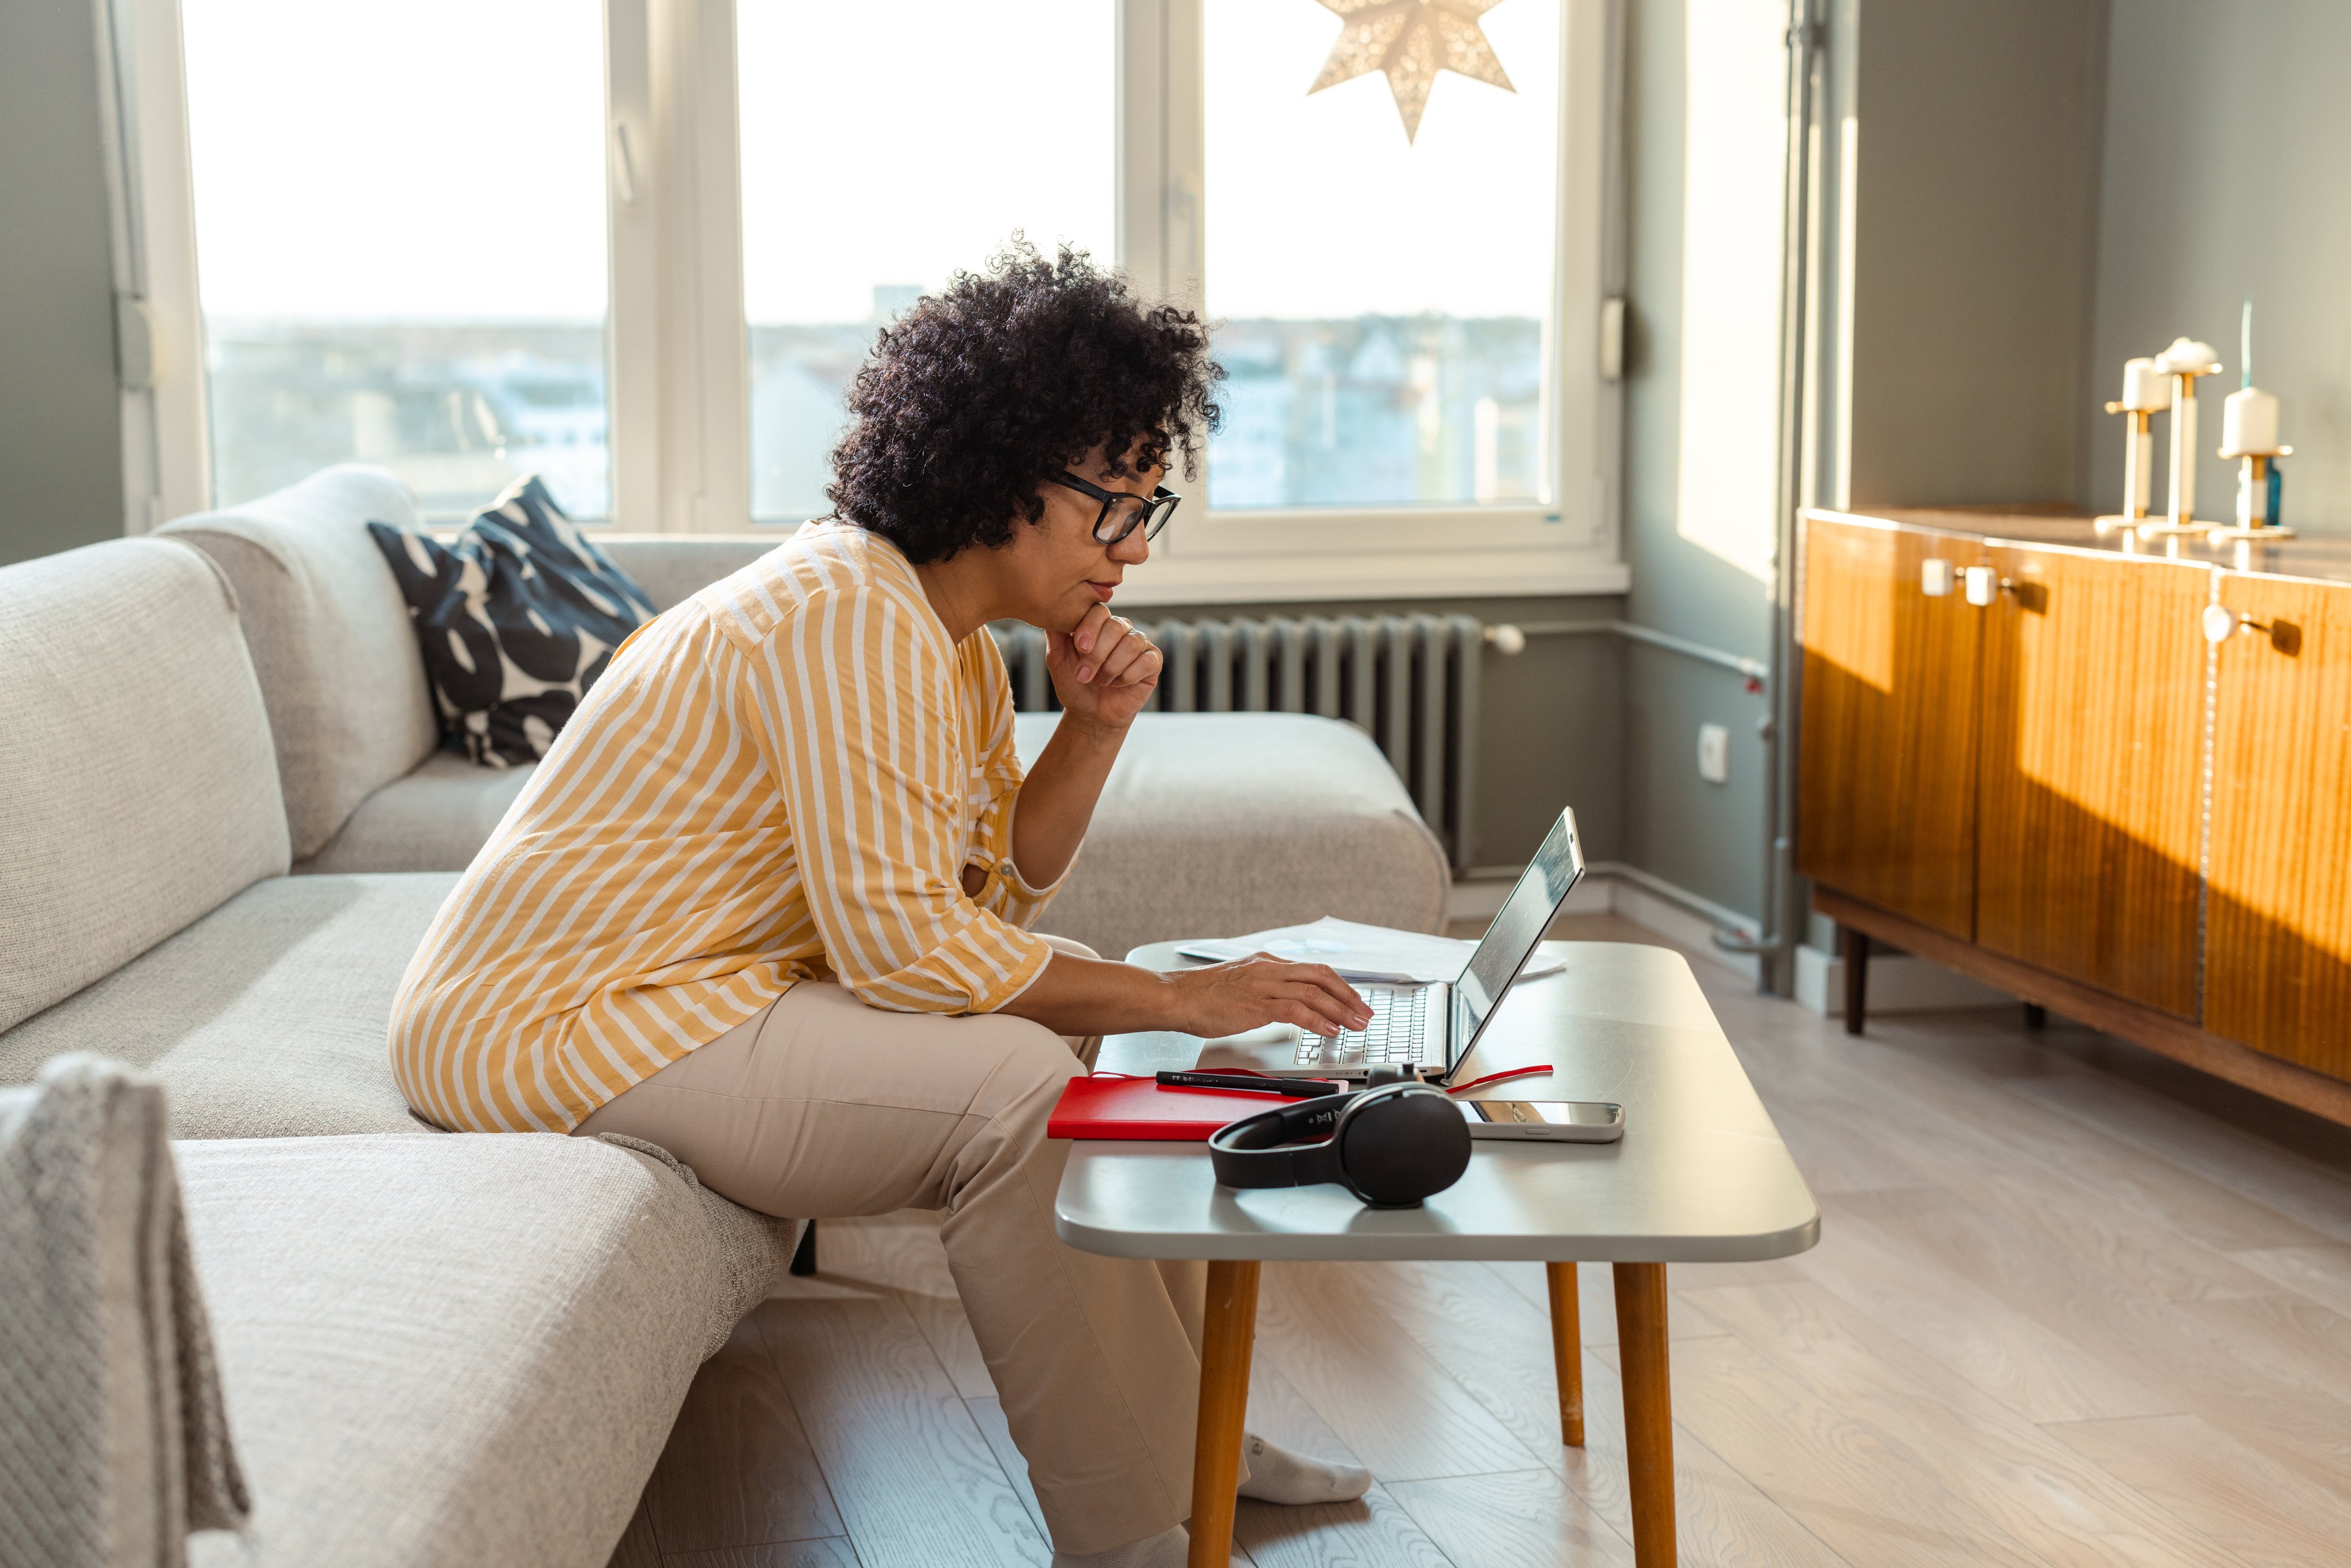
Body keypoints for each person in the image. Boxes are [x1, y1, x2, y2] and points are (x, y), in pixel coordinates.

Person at [386, 242, 1374, 1568]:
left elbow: (986, 911)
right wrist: (1181, 991)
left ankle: (1200, 1434)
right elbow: (910, 954)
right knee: (1018, 1093)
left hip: (697, 981)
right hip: (553, 1019)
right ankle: (1133, 1529)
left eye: (1151, 510)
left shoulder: (934, 627)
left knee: (1099, 1031)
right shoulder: (847, 615)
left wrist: (1089, 729)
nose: (1133, 553)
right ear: (1005, 476)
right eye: (1115, 508)